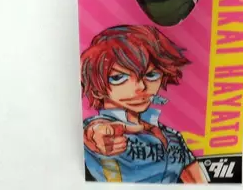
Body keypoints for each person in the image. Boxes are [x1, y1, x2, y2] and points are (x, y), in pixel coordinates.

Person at [81, 25, 207, 183]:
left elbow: (200, 184)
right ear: (96, 89)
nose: (141, 87)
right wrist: (95, 134)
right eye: (119, 77)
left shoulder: (173, 137)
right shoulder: (102, 131)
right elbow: (94, 131)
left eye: (151, 75)